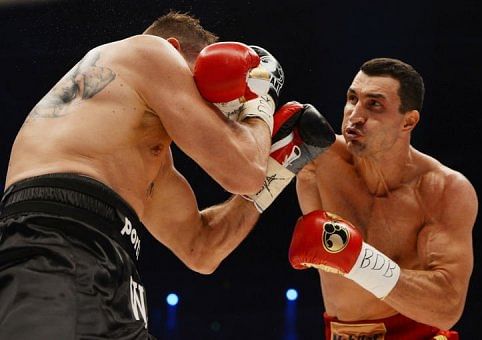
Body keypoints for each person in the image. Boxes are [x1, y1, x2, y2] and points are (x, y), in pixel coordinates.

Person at [0, 10, 300, 339]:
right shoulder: (149, 51)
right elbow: (245, 173)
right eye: (202, 84)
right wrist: (260, 98)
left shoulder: (140, 155)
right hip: (57, 243)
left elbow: (200, 248)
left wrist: (282, 167)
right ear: (172, 47)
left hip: (105, 261)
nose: (208, 104)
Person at [289, 58, 478, 339]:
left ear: (409, 121)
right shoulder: (318, 157)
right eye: (352, 99)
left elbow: (447, 306)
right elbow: (244, 176)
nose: (354, 115)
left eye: (374, 104)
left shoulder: (442, 189)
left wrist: (358, 260)